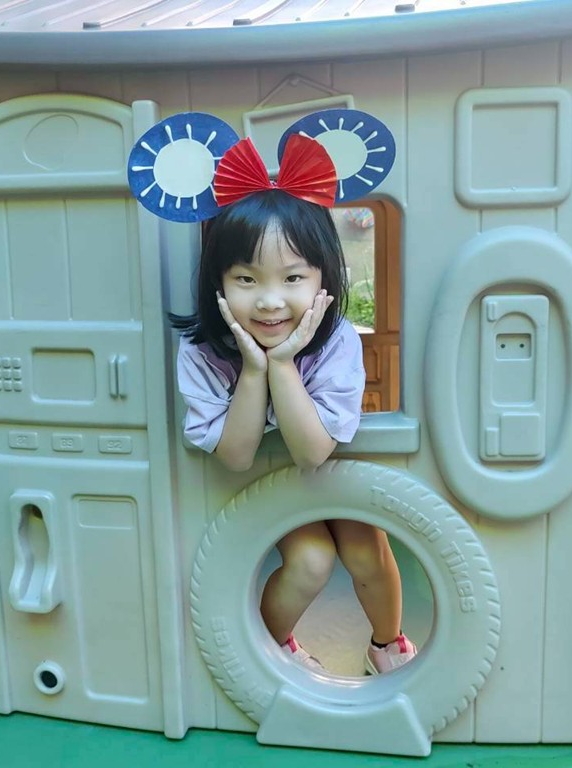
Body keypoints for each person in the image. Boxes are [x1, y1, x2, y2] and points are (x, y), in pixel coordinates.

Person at [171, 136, 417, 676]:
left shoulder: (337, 341)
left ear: (323, 277)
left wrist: (283, 364)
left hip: (325, 470)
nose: (269, 300)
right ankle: (271, 649)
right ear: (218, 282)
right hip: (260, 481)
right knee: (310, 559)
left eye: (293, 278)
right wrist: (255, 368)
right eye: (246, 279)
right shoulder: (201, 351)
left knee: (365, 551)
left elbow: (312, 453)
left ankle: (386, 643)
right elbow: (237, 456)